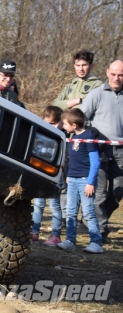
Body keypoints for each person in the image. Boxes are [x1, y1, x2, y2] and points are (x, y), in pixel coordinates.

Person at [52, 50, 102, 223]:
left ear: (91, 66)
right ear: (74, 66)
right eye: (78, 65)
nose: (81, 69)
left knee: (87, 178)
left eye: (84, 65)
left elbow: (88, 108)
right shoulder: (71, 85)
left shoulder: (98, 85)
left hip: (86, 135)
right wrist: (76, 101)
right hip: (69, 135)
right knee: (67, 174)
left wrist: (75, 104)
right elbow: (55, 104)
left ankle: (87, 218)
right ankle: (67, 216)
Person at [80, 59, 123, 244]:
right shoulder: (96, 94)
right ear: (107, 72)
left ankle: (90, 218)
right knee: (99, 194)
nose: (116, 78)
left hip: (121, 151)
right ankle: (100, 231)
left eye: (121, 75)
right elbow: (81, 119)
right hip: (100, 149)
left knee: (117, 192)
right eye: (113, 74)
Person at [56, 108, 103, 253]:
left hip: (85, 181)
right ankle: (70, 240)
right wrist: (69, 174)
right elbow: (72, 159)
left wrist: (90, 182)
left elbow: (95, 162)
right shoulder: (72, 138)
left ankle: (96, 243)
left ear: (74, 125)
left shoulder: (88, 137)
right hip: (73, 180)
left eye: (65, 124)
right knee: (70, 211)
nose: (63, 126)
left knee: (88, 212)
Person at [31, 106, 64, 246]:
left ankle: (55, 235)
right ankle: (34, 232)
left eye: (56, 123)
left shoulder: (62, 137)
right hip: (41, 173)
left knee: (55, 206)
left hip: (56, 175)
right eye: (50, 123)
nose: (53, 126)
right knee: (38, 204)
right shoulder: (40, 132)